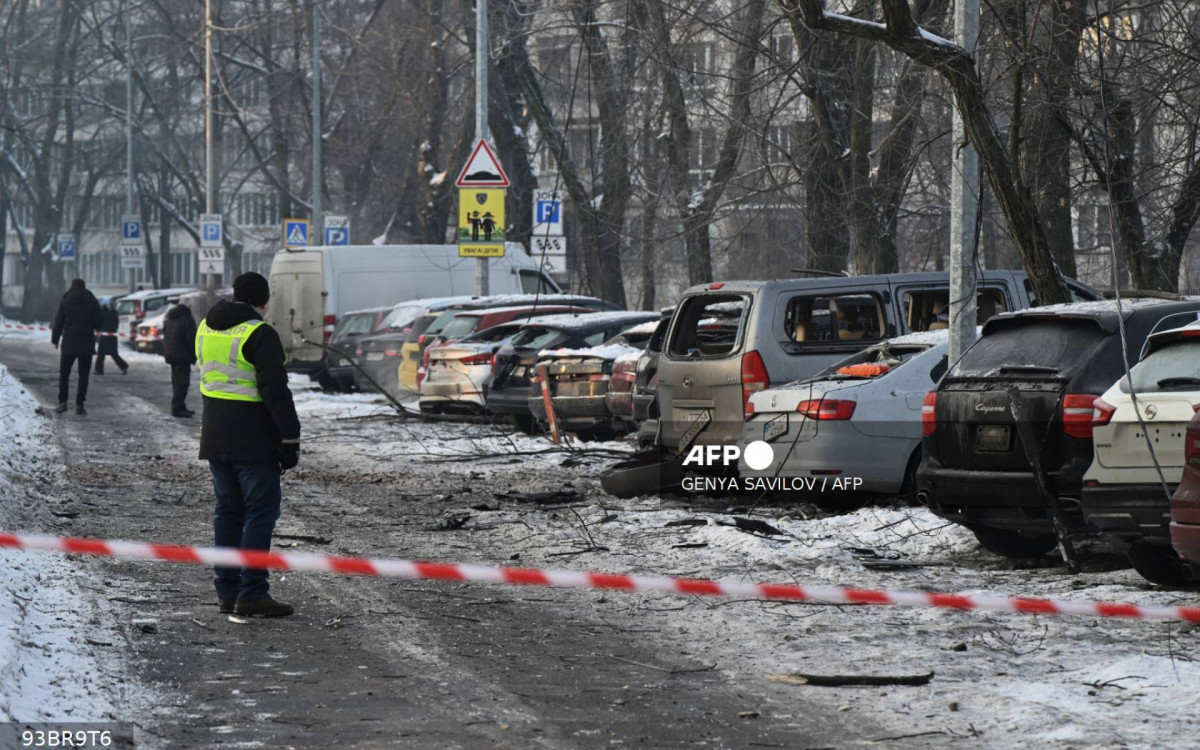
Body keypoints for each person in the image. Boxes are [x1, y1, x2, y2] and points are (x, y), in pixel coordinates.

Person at [197, 272, 300, 618]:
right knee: (260, 513)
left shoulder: (206, 327)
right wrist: (290, 437)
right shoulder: (260, 333)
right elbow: (275, 390)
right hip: (253, 440)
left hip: (215, 436)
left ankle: (227, 591)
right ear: (263, 301)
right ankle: (253, 592)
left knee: (228, 512)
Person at [50, 278, 102, 416]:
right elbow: (99, 320)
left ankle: (62, 402)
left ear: (72, 286)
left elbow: (59, 322)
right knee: (83, 375)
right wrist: (92, 325)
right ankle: (80, 404)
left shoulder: (66, 300)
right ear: (84, 286)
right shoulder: (91, 300)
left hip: (69, 343)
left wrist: (55, 339)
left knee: (64, 374)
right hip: (86, 343)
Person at [162, 300, 197, 417]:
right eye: (190, 305)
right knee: (182, 383)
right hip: (183, 356)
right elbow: (191, 340)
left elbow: (165, 335)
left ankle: (180, 406)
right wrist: (193, 356)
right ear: (187, 306)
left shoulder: (169, 318)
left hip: (172, 355)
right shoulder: (188, 319)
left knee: (176, 382)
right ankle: (177, 408)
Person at [94, 297, 129, 376]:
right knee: (109, 354)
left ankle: (99, 370)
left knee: (103, 354)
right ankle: (123, 366)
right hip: (110, 336)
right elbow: (115, 324)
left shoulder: (103, 313)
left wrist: (98, 330)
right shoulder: (113, 312)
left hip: (106, 336)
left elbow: (98, 323)